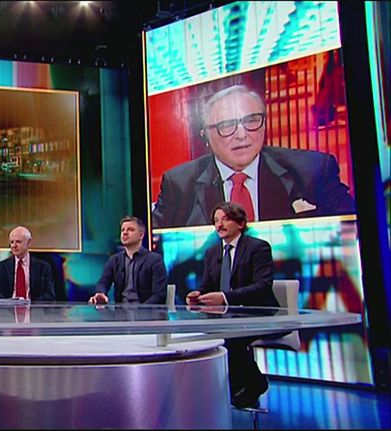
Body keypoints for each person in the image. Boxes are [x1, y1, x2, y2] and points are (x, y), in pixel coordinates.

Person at [152, 84, 355, 229]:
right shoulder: (179, 184)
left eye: (252, 120)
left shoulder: (313, 170)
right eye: (227, 125)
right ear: (205, 134)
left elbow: (352, 228)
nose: (242, 135)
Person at [186, 201, 278, 408]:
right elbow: (207, 285)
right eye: (215, 221)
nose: (219, 225)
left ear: (241, 223)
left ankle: (250, 385)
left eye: (225, 219)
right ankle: (234, 388)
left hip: (259, 315)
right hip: (225, 317)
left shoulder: (258, 247)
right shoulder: (212, 252)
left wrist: (225, 297)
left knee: (229, 338)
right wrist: (197, 294)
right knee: (204, 337)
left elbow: (263, 286)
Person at [89, 216, 168, 305]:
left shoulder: (154, 260)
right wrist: (101, 293)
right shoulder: (115, 260)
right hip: (120, 311)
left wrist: (142, 310)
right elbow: (103, 282)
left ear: (141, 235)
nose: (125, 233)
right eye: (123, 230)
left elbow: (159, 295)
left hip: (146, 311)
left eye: (130, 230)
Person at [0, 226, 55, 302]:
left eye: (18, 242)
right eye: (12, 242)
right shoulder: (1, 267)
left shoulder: (43, 268)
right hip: (8, 308)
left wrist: (31, 305)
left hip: (33, 308)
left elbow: (49, 295)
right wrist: (8, 303)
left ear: (28, 243)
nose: (14, 246)